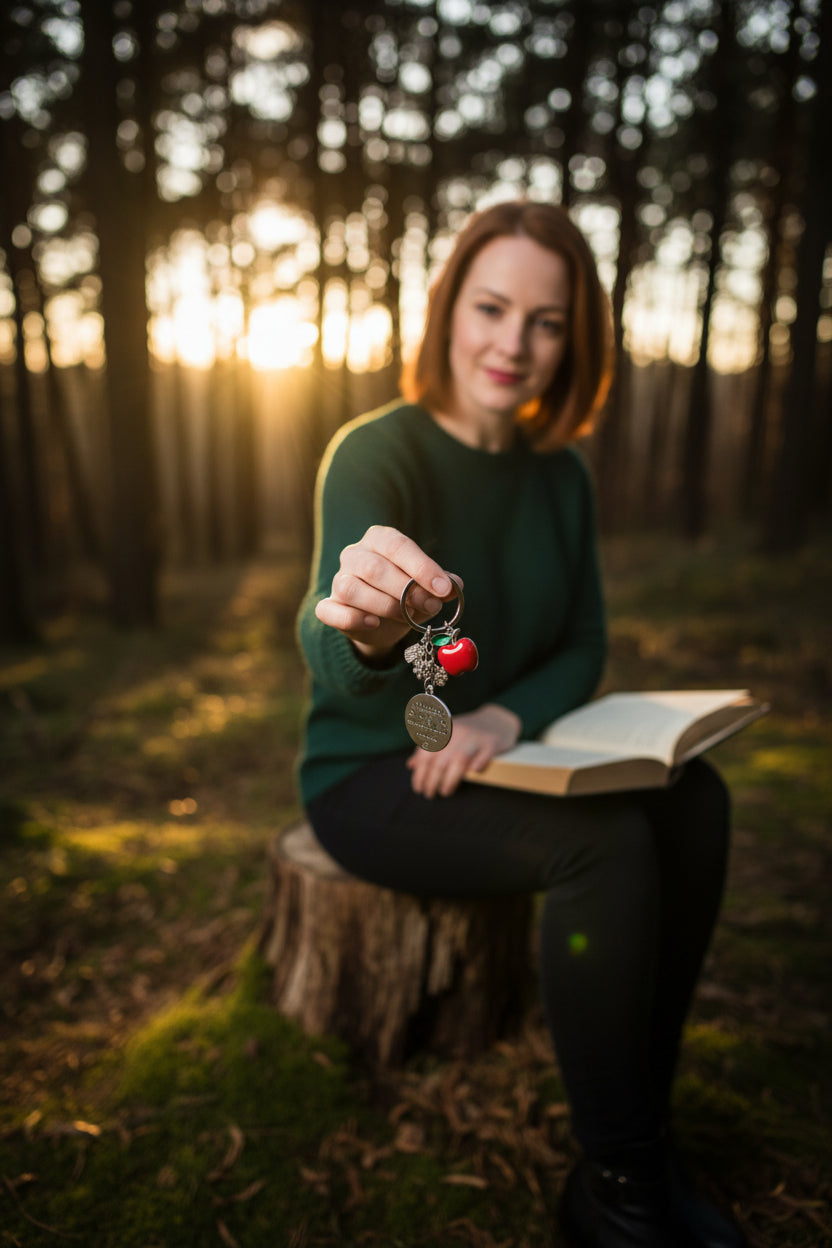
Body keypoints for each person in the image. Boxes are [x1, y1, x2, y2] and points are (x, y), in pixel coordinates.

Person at [295, 199, 746, 1248]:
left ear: (573, 336)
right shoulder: (375, 452)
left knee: (699, 803)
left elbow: (586, 644)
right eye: (491, 307)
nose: (513, 343)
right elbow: (334, 653)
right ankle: (619, 1185)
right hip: (370, 774)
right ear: (449, 308)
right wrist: (366, 636)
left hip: (501, 751)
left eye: (545, 321)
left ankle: (648, 1117)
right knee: (603, 845)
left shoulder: (563, 473)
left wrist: (499, 714)